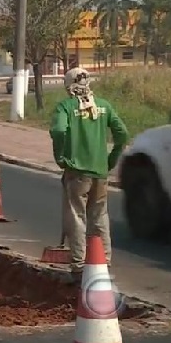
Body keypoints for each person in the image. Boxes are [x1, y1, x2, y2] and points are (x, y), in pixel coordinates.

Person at [49, 67, 129, 278]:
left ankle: (79, 265)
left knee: (77, 216)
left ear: (68, 87)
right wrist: (110, 160)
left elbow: (58, 130)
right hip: (100, 173)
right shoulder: (103, 106)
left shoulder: (65, 107)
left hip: (76, 173)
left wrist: (60, 157)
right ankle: (104, 260)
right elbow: (123, 134)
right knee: (100, 216)